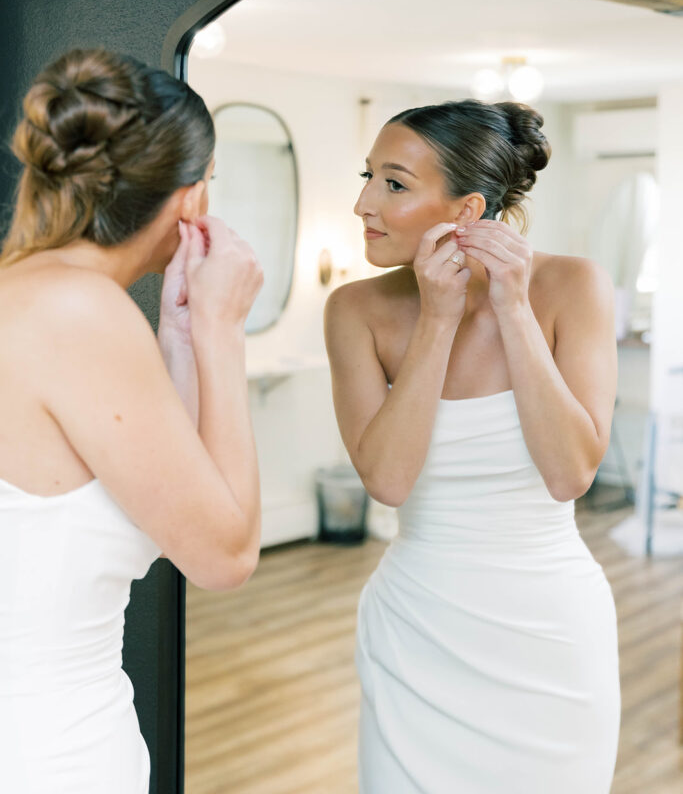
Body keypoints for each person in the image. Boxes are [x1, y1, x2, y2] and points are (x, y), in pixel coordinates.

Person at [324, 100, 620, 794]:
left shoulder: (573, 287)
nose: (364, 203)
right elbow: (388, 482)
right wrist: (437, 319)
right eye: (368, 177)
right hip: (417, 632)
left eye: (393, 184)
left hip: (548, 637)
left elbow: (569, 474)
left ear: (467, 210)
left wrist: (514, 309)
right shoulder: (354, 311)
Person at [0, 49, 263, 793]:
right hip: (50, 749)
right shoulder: (80, 311)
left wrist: (179, 335)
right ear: (190, 197)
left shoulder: (28, 294)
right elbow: (225, 557)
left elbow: (160, 500)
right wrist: (222, 331)